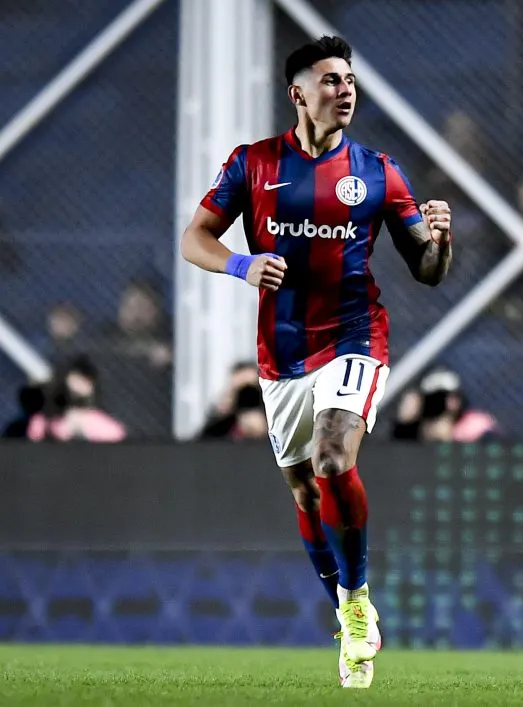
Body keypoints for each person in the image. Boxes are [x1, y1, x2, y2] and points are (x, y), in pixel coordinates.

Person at [178, 35, 453, 688]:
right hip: (282, 354)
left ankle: (356, 600)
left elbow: (428, 271)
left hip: (356, 336)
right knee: (305, 489)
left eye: (351, 80)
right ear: (297, 91)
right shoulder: (252, 164)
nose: (345, 89)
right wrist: (243, 265)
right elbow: (195, 239)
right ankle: (344, 608)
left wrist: (441, 240)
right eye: (330, 80)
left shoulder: (379, 171)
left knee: (334, 458)